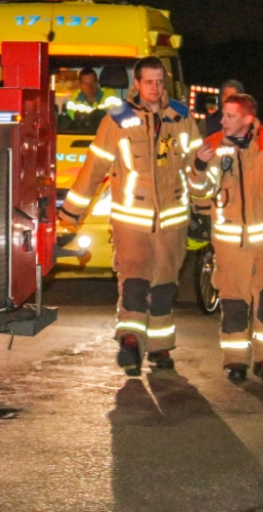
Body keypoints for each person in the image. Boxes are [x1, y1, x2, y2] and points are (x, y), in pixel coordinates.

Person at [58, 56, 201, 375]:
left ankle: (160, 347)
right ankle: (130, 342)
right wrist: (71, 212)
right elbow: (95, 167)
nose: (155, 87)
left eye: (160, 81)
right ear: (136, 84)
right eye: (149, 82)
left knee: (164, 286)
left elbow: (197, 166)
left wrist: (204, 207)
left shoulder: (180, 117)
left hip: (172, 223)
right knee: (135, 283)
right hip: (131, 222)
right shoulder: (118, 119)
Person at [188, 94, 263, 383]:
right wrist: (198, 168)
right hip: (230, 243)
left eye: (229, 115)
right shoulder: (213, 145)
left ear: (248, 119)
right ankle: (235, 361)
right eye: (223, 115)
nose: (222, 120)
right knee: (234, 302)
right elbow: (198, 192)